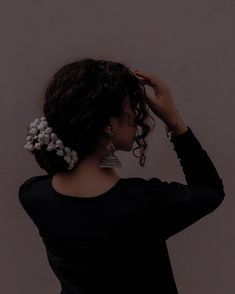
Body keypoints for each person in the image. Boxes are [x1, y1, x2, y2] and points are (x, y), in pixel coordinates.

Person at [18, 58, 225, 294]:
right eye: (131, 109)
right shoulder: (144, 203)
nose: (137, 119)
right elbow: (210, 189)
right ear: (109, 125)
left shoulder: (34, 195)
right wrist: (174, 121)